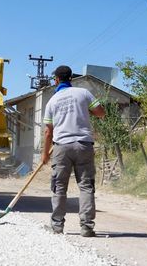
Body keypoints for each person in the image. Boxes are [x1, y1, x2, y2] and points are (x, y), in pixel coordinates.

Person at [41, 65, 105, 237]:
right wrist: (87, 112)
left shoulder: (52, 101)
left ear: (56, 80)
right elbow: (100, 112)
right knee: (85, 186)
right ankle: (86, 227)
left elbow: (48, 132)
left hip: (61, 147)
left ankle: (57, 226)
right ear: (71, 78)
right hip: (84, 145)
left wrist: (45, 154)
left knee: (59, 187)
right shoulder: (83, 93)